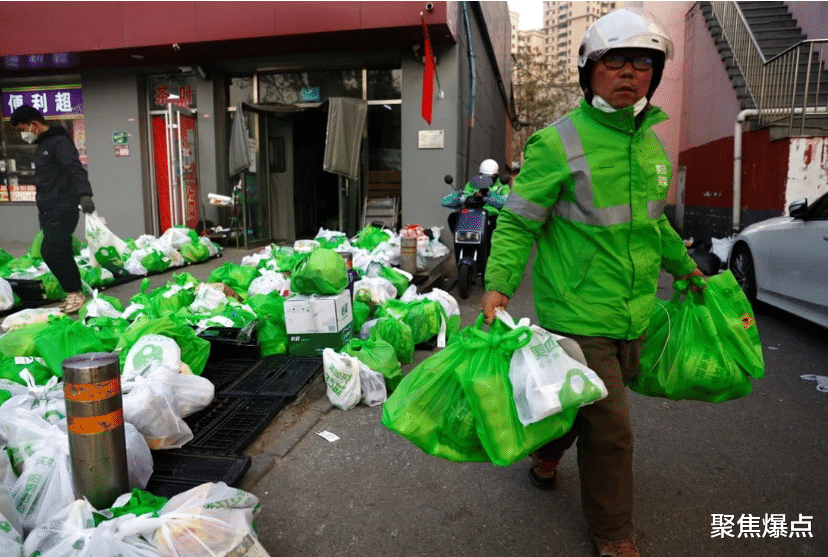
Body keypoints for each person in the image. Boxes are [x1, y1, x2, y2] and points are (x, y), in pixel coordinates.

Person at [480, 8, 704, 557]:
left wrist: (686, 268)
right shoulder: (557, 143)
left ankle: (546, 450)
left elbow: (653, 226)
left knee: (579, 405)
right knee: (612, 430)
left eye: (644, 62)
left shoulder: (652, 146)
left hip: (634, 310)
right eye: (616, 60)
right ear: (589, 70)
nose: (630, 72)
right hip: (576, 311)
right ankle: (614, 535)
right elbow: (517, 219)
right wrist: (499, 283)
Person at [10, 104, 95, 314]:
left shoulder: (59, 142)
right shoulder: (44, 145)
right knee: (62, 251)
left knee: (50, 250)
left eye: (23, 129)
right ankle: (74, 294)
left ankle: (75, 292)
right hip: (49, 209)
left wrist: (85, 195)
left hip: (63, 207)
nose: (23, 134)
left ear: (34, 124)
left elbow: (75, 169)